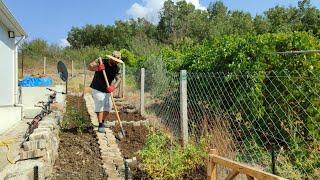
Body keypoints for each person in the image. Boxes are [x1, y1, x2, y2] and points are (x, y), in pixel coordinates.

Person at [88, 51, 124, 133]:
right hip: (97, 87)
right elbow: (89, 67)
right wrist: (97, 68)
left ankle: (102, 121)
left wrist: (113, 87)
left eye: (117, 61)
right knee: (100, 103)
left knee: (108, 107)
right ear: (111, 58)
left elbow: (119, 79)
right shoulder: (101, 61)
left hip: (107, 89)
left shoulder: (117, 68)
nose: (116, 62)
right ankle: (100, 124)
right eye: (114, 60)